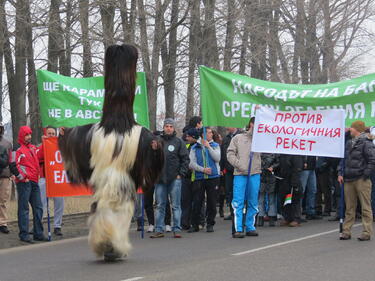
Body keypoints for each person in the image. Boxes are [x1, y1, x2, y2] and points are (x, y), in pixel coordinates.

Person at [58, 44, 164, 261]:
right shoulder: (135, 134)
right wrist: (66, 137)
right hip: (114, 171)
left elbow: (77, 139)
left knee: (112, 204)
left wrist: (67, 137)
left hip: (117, 172)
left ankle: (109, 242)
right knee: (113, 204)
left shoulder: (126, 134)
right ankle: (110, 242)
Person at [151, 119, 189, 238]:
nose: (168, 128)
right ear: (163, 127)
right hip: (160, 179)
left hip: (175, 179)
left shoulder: (179, 142)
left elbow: (185, 159)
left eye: (170, 126)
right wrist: (153, 150)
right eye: (166, 126)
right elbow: (151, 161)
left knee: (176, 205)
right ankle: (159, 229)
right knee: (160, 205)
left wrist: (180, 174)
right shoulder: (157, 141)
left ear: (173, 128)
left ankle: (177, 229)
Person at [338, 121, 375, 241]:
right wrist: (340, 173)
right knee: (349, 207)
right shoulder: (349, 143)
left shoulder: (366, 142)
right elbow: (343, 160)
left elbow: (372, 160)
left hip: (361, 179)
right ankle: (346, 231)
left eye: (352, 128)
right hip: (348, 178)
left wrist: (365, 174)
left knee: (365, 206)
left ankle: (366, 232)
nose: (350, 130)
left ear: (357, 129)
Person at [227, 117, 261, 238]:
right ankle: (238, 229)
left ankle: (250, 227)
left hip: (255, 174)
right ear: (251, 124)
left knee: (253, 202)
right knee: (238, 202)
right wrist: (240, 165)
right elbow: (230, 154)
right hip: (240, 174)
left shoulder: (262, 139)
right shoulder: (238, 138)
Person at [14, 126, 47, 243]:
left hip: (35, 182)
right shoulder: (18, 150)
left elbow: (42, 154)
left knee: (38, 208)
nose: (29, 136)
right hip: (24, 183)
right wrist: (23, 177)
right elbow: (14, 165)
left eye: (30, 134)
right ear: (22, 136)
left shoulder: (33, 148)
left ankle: (38, 233)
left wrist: (45, 141)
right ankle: (24, 234)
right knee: (24, 209)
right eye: (26, 135)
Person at [189, 127, 221, 233]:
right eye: (208, 132)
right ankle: (195, 224)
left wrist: (208, 147)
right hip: (199, 178)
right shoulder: (194, 147)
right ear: (202, 134)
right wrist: (203, 170)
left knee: (212, 202)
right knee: (197, 201)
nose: (211, 134)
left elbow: (217, 158)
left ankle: (210, 223)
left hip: (213, 178)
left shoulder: (215, 145)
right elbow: (191, 163)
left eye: (211, 132)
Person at [36, 126, 65, 236]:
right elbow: (38, 157)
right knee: (41, 203)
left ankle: (57, 226)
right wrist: (45, 144)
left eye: (53, 133)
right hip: (44, 178)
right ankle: (38, 225)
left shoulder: (59, 147)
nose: (51, 135)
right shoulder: (40, 146)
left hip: (57, 179)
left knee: (59, 203)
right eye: (49, 133)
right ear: (45, 134)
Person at [220, 127, 242, 234]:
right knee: (230, 192)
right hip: (228, 171)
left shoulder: (241, 136)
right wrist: (222, 167)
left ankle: (240, 215)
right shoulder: (226, 138)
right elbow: (223, 154)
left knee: (239, 193)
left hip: (239, 170)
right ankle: (233, 212)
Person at [181, 128, 200, 230]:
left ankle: (197, 222)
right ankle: (184, 223)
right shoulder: (186, 146)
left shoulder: (199, 146)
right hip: (186, 177)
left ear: (193, 137)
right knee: (185, 201)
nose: (186, 138)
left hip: (197, 177)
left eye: (188, 136)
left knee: (196, 201)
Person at [278, 154, 304, 227]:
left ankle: (296, 219)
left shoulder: (296, 155)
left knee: (295, 199)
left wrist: (295, 182)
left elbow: (297, 168)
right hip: (284, 179)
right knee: (285, 199)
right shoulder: (282, 154)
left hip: (293, 179)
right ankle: (287, 218)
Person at [258, 153, 279, 227]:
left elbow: (278, 162)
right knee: (262, 199)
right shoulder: (260, 151)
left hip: (270, 177)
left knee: (270, 198)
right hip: (262, 177)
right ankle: (261, 217)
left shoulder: (274, 151)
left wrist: (273, 167)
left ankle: (271, 217)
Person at [0, 123, 12, 234]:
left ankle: (2, 223)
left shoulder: (7, 144)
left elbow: (9, 160)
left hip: (4, 175)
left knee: (3, 200)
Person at [300, 156, 321, 220]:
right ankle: (298, 213)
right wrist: (304, 161)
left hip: (312, 167)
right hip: (305, 167)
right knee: (301, 191)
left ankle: (310, 212)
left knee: (313, 190)